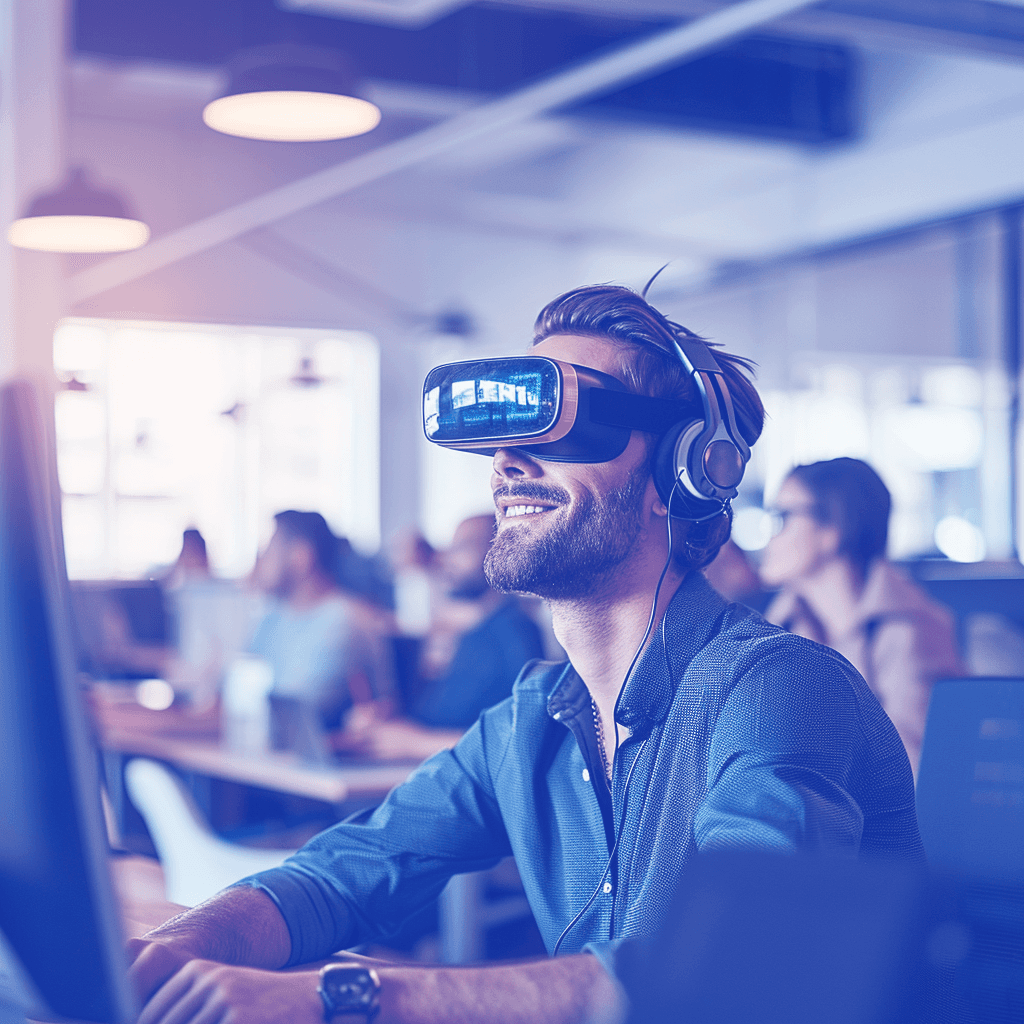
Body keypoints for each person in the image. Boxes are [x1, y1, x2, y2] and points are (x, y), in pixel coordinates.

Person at [127, 286, 922, 1024]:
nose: (508, 462)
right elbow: (345, 872)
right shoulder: (531, 720)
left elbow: (737, 969)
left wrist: (350, 998)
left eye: (568, 425)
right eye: (507, 439)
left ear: (681, 474)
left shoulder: (780, 687)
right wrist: (176, 952)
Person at [760, 457, 964, 775]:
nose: (770, 538)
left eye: (783, 517)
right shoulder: (777, 628)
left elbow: (917, 773)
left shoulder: (913, 630)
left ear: (832, 529)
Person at [340, 514, 545, 761]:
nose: (448, 558)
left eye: (462, 547)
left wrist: (418, 743)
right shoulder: (474, 631)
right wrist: (388, 718)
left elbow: (525, 736)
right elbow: (444, 717)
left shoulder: (515, 632)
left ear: (501, 550)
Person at [249, 510, 394, 740]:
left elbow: (285, 716)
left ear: (301, 556)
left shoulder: (343, 621)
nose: (259, 561)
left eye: (269, 550)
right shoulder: (273, 616)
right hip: (268, 755)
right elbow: (240, 693)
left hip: (306, 759)